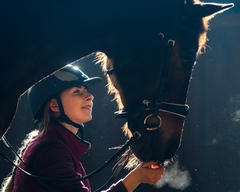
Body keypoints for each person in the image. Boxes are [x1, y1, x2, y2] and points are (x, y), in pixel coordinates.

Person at [1, 64, 164, 192]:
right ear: (54, 105)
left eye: (86, 90)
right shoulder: (50, 151)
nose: (90, 96)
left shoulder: (53, 146)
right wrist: (136, 177)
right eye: (77, 91)